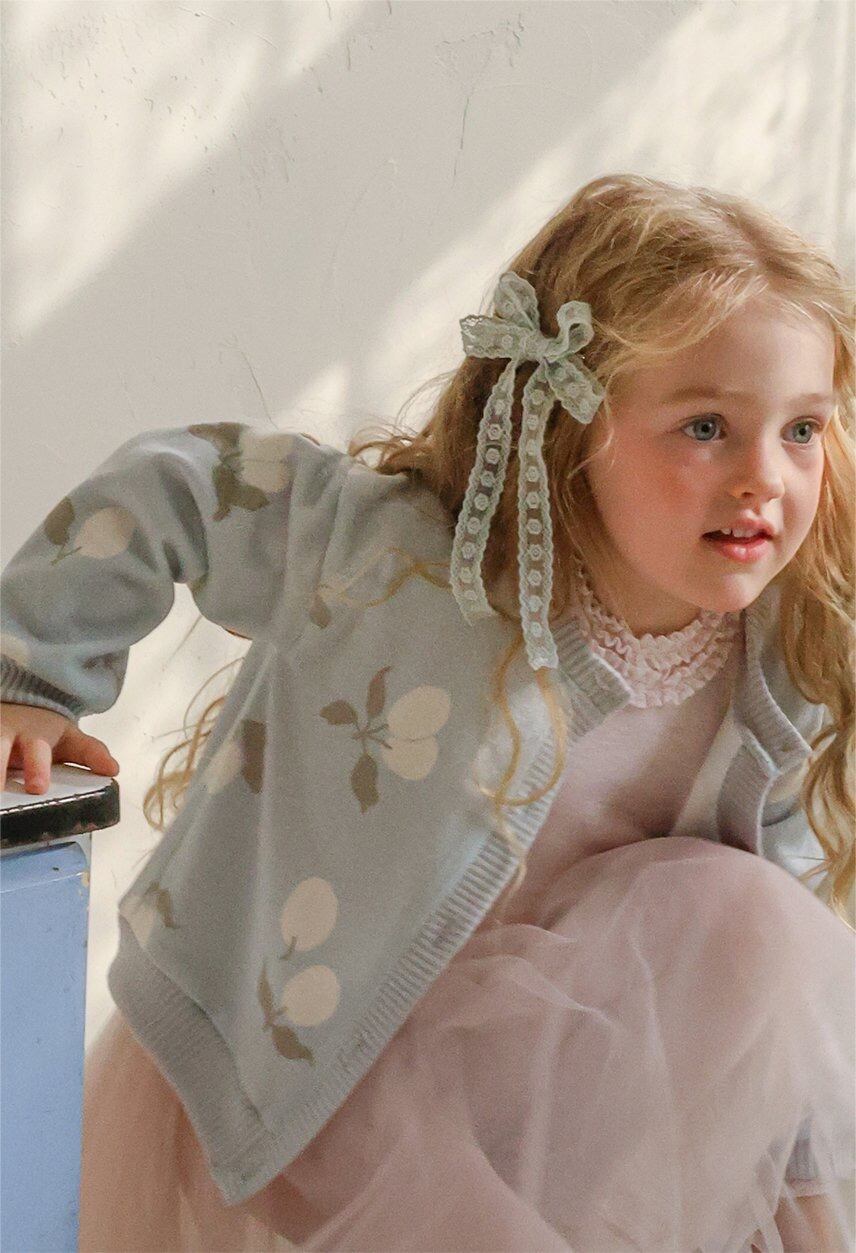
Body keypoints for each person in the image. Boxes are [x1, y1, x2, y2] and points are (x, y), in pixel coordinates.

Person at [1, 172, 853, 1251]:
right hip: (327, 1073)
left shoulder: (775, 651)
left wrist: (789, 1174)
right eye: (705, 426)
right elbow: (178, 489)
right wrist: (34, 680)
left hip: (551, 1097)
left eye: (801, 429)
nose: (762, 478)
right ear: (565, 423)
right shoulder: (400, 557)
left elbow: (775, 965)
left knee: (754, 910)